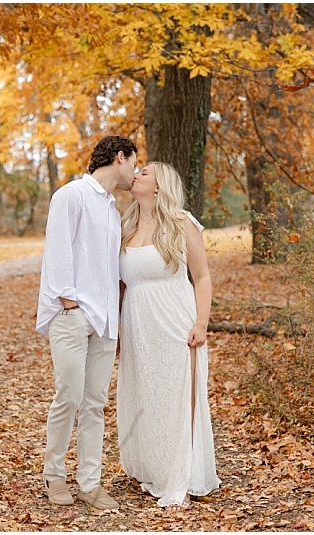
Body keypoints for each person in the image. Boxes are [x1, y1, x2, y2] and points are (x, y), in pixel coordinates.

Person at [36, 136, 136, 510]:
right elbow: (58, 252)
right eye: (133, 163)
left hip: (106, 319)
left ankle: (89, 483)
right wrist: (70, 305)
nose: (135, 172)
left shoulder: (112, 208)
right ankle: (54, 476)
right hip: (74, 316)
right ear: (119, 157)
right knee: (69, 396)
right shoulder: (72, 195)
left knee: (95, 403)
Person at [116, 161, 221, 511]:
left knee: (178, 398)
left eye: (144, 172)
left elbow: (202, 277)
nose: (136, 174)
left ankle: (185, 477)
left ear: (160, 186)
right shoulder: (126, 223)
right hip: (137, 325)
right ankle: (158, 468)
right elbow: (120, 284)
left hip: (176, 321)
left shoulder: (181, 222)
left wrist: (201, 323)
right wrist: (115, 328)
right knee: (149, 396)